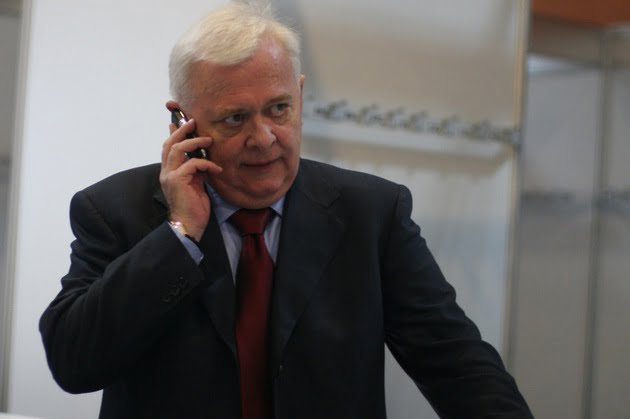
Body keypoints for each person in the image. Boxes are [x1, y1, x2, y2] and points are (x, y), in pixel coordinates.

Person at [40, 1, 533, 418]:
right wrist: (180, 234)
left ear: (299, 94)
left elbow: (457, 364)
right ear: (183, 121)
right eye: (235, 118)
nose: (264, 138)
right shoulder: (114, 210)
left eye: (279, 109)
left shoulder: (372, 214)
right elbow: (73, 363)